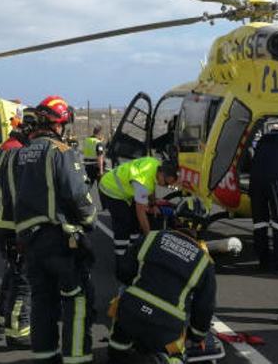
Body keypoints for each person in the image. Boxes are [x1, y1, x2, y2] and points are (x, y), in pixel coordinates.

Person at [15, 96, 97, 364]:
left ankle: (45, 358)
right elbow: (76, 194)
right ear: (58, 123)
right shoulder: (60, 151)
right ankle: (76, 358)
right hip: (58, 240)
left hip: (30, 241)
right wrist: (90, 220)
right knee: (77, 299)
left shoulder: (22, 153)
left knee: (42, 303)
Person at [108, 198, 216, 364]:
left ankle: (118, 351)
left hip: (131, 313)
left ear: (175, 219)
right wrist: (196, 335)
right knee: (175, 355)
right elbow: (204, 307)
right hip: (166, 326)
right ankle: (169, 358)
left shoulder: (152, 237)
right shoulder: (205, 262)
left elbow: (123, 271)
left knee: (120, 335)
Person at [0, 118, 32, 348]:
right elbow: (18, 195)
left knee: (11, 273)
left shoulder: (6, 148)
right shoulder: (17, 153)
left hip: (0, 223)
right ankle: (18, 333)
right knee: (23, 280)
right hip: (11, 225)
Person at [98, 157, 179, 262]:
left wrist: (153, 203)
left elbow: (152, 185)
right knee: (124, 223)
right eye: (166, 183)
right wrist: (149, 238)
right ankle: (121, 257)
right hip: (110, 189)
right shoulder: (143, 183)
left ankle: (133, 248)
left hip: (123, 187)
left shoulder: (154, 164)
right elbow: (141, 212)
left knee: (135, 222)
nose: (166, 186)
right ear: (161, 173)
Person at [247, 125, 278, 273]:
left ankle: (263, 261)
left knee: (259, 223)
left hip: (255, 181)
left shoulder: (263, 139)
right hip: (276, 180)